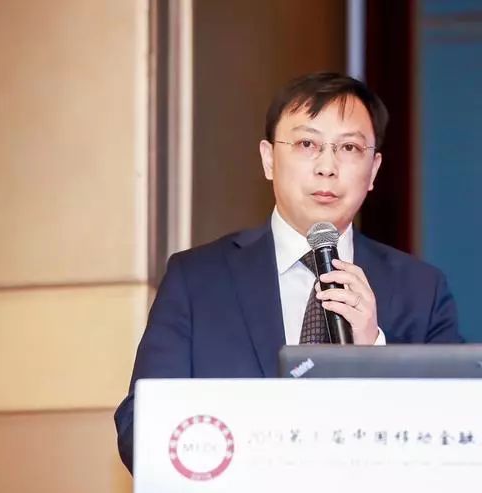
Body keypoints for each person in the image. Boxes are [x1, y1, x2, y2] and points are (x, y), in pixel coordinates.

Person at [114, 72, 463, 472]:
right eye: (307, 144)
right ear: (268, 158)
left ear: (373, 170)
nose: (327, 167)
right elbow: (139, 427)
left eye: (349, 147)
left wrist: (374, 353)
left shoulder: (422, 290)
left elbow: (458, 439)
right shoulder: (196, 280)